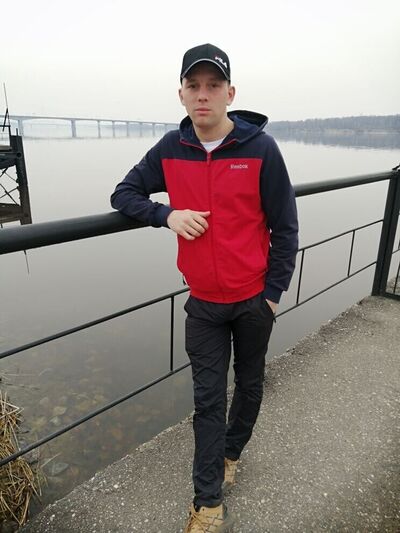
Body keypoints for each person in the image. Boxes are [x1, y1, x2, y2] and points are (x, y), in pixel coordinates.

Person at [111, 43, 298, 533]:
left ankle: (231, 454)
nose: (202, 94)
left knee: (250, 386)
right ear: (180, 94)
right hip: (205, 305)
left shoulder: (261, 149)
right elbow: (123, 193)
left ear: (230, 93)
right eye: (193, 85)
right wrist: (166, 214)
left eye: (213, 85)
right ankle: (208, 503)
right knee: (208, 402)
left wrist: (273, 294)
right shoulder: (170, 149)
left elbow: (286, 227)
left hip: (254, 299)